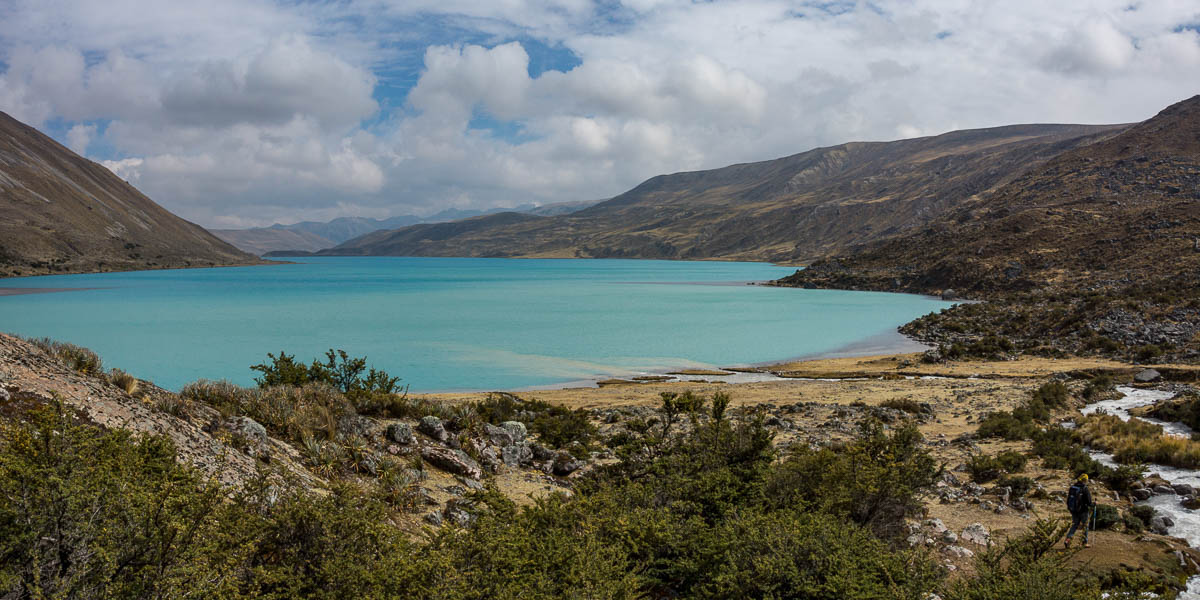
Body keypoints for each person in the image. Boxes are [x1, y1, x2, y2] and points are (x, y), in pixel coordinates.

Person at [1064, 473, 1095, 548]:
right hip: (1083, 511)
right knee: (1085, 526)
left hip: (1074, 510)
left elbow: (1068, 500)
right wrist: (1093, 504)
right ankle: (1084, 542)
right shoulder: (1084, 488)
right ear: (1085, 480)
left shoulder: (1072, 487)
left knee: (1074, 525)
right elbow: (1089, 502)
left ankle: (1068, 540)